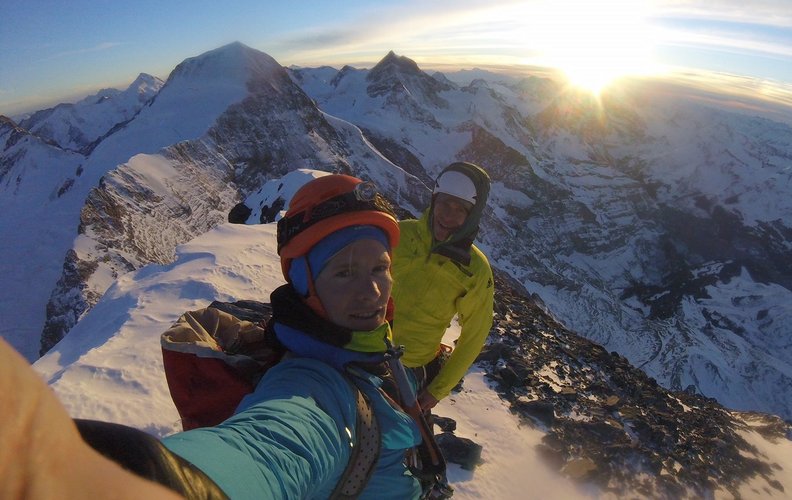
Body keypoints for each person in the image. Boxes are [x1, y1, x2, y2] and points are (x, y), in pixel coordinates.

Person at [1, 174, 431, 500]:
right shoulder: (311, 388)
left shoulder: (364, 351)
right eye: (343, 272)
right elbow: (272, 445)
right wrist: (162, 482)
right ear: (305, 286)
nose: (372, 290)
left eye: (380, 267)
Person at [391, 162, 495, 410]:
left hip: (407, 368)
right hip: (359, 344)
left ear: (472, 217)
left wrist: (438, 391)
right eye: (444, 203)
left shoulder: (475, 270)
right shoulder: (398, 233)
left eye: (460, 209)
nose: (448, 215)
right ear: (433, 201)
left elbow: (475, 335)